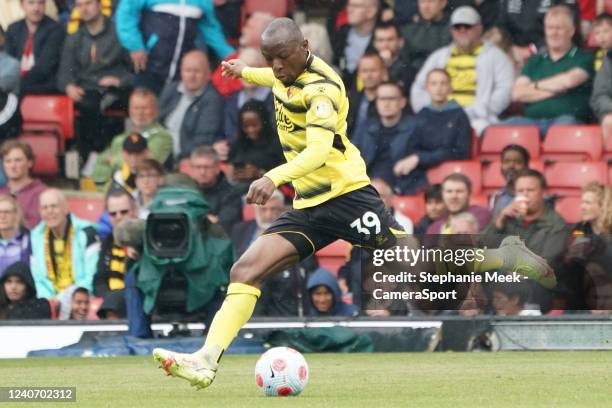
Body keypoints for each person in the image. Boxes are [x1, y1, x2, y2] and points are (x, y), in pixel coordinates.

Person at [152, 17, 554, 389]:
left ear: (305, 46)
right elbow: (272, 79)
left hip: (347, 197)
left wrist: (273, 176)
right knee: (245, 270)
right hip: (309, 204)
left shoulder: (322, 89)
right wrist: (244, 71)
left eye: (282, 58)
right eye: (269, 59)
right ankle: (205, 360)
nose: (275, 67)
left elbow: (317, 152)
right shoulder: (283, 72)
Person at [410, 6, 514, 135]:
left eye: (467, 26)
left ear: (479, 28)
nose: (462, 30)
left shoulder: (497, 56)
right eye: (457, 27)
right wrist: (429, 111)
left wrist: (482, 110)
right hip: (438, 116)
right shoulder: (439, 56)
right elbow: (418, 87)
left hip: (477, 120)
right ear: (451, 30)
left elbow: (505, 89)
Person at [57, 0, 133, 162]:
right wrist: (68, 86)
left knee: (104, 104)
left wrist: (120, 80)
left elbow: (136, 70)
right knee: (88, 103)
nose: (84, 9)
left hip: (115, 91)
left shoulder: (119, 34)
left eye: (89, 3)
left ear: (100, 5)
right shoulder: (74, 37)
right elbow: (64, 72)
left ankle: (108, 156)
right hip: (87, 90)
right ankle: (91, 157)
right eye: (80, 5)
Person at [503, 5, 594, 137]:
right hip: (531, 122)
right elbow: (517, 93)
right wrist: (557, 90)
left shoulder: (584, 57)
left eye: (559, 28)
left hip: (568, 121)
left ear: (571, 31)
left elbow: (568, 81)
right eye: (550, 28)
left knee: (563, 129)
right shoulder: (535, 61)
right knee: (493, 131)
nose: (553, 33)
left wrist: (534, 85)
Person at [115, 0, 234, 93]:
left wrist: (232, 57)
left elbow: (211, 29)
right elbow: (126, 12)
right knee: (147, 112)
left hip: (181, 72)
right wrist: (135, 46)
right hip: (148, 64)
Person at [394, 68, 471, 194]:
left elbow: (461, 152)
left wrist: (422, 158)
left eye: (443, 83)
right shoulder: (422, 115)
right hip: (422, 170)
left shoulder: (459, 115)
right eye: (434, 84)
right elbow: (412, 149)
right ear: (427, 87)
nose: (438, 88)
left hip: (450, 171)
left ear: (450, 87)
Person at [91, 88, 173, 186]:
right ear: (129, 110)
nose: (140, 113)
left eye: (145, 108)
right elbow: (100, 161)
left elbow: (146, 164)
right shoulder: (120, 139)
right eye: (136, 108)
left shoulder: (163, 137)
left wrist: (112, 160)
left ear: (156, 111)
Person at [30, 188, 100, 299]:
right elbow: (38, 279)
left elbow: (91, 275)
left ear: (65, 209)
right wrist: (50, 301)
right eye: (45, 208)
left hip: (81, 299)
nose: (49, 211)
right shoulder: (35, 237)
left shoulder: (87, 233)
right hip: (50, 300)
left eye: (54, 206)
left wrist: (66, 299)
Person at [159, 50, 225, 160]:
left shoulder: (212, 100)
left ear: (208, 74)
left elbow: (203, 140)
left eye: (197, 71)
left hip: (186, 158)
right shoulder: (171, 89)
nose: (192, 76)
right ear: (181, 72)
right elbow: (156, 120)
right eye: (188, 70)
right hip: (159, 150)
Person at [353, 81, 415, 193]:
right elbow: (350, 156)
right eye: (382, 99)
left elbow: (440, 151)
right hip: (367, 185)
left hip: (403, 187)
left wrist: (417, 157)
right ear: (376, 103)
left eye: (391, 99)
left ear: (403, 102)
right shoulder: (366, 127)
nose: (386, 104)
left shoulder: (415, 127)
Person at [5, 0, 65, 95]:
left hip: (43, 87)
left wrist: (15, 84)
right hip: (15, 85)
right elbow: (7, 61)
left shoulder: (56, 29)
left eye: (40, 3)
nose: (36, 8)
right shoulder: (13, 29)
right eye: (31, 3)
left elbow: (44, 68)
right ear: (22, 5)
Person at [211, 12, 275, 98]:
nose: (243, 30)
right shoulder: (233, 57)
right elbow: (214, 84)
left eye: (249, 27)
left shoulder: (273, 65)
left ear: (264, 34)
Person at [228, 100, 284, 195]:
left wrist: (259, 173)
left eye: (254, 125)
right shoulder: (238, 145)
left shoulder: (277, 145)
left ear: (263, 122)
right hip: (238, 191)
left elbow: (285, 175)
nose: (251, 130)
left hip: (269, 193)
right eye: (246, 126)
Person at [93, 189, 136, 304]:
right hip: (112, 308)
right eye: (113, 214)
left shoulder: (146, 240)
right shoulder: (107, 242)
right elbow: (99, 282)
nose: (118, 217)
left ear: (134, 211)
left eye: (124, 212)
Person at [223, 47, 275, 143]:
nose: (246, 72)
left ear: (262, 69)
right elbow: (229, 134)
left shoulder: (276, 97)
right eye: (242, 68)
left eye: (253, 67)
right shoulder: (232, 100)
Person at [190, 146, 242, 235]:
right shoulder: (185, 190)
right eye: (198, 167)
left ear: (217, 169)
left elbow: (224, 226)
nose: (202, 172)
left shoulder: (232, 194)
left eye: (207, 167)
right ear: (192, 169)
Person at [0, 140, 47, 229]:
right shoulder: (1, 192)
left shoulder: (41, 193)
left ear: (30, 162)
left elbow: (37, 227)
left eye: (18, 160)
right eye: (8, 161)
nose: (13, 166)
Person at [426, 173, 492, 234]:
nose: (454, 196)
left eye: (459, 191)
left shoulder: (482, 215)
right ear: (442, 195)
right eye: (449, 191)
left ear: (469, 194)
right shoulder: (434, 228)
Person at [400, 0, 451, 73]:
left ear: (443, 3)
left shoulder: (453, 30)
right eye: (422, 2)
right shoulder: (408, 31)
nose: (426, 7)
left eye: (431, 1)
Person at [347, 51, 389, 136]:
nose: (369, 75)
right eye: (364, 71)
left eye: (373, 70)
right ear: (358, 74)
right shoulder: (351, 100)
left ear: (383, 72)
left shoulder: (391, 99)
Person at [372, 20, 415, 97]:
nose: (385, 44)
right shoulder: (366, 65)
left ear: (400, 42)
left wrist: (386, 67)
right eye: (380, 40)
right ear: (375, 44)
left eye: (390, 39)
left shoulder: (409, 70)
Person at [488, 144, 530, 216]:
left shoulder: (535, 195)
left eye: (517, 162)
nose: (511, 166)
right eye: (506, 162)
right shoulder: (496, 197)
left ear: (526, 167)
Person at [0, 194, 30, 277]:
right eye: (0, 212)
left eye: (7, 212)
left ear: (16, 215)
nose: (2, 216)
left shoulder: (28, 241)